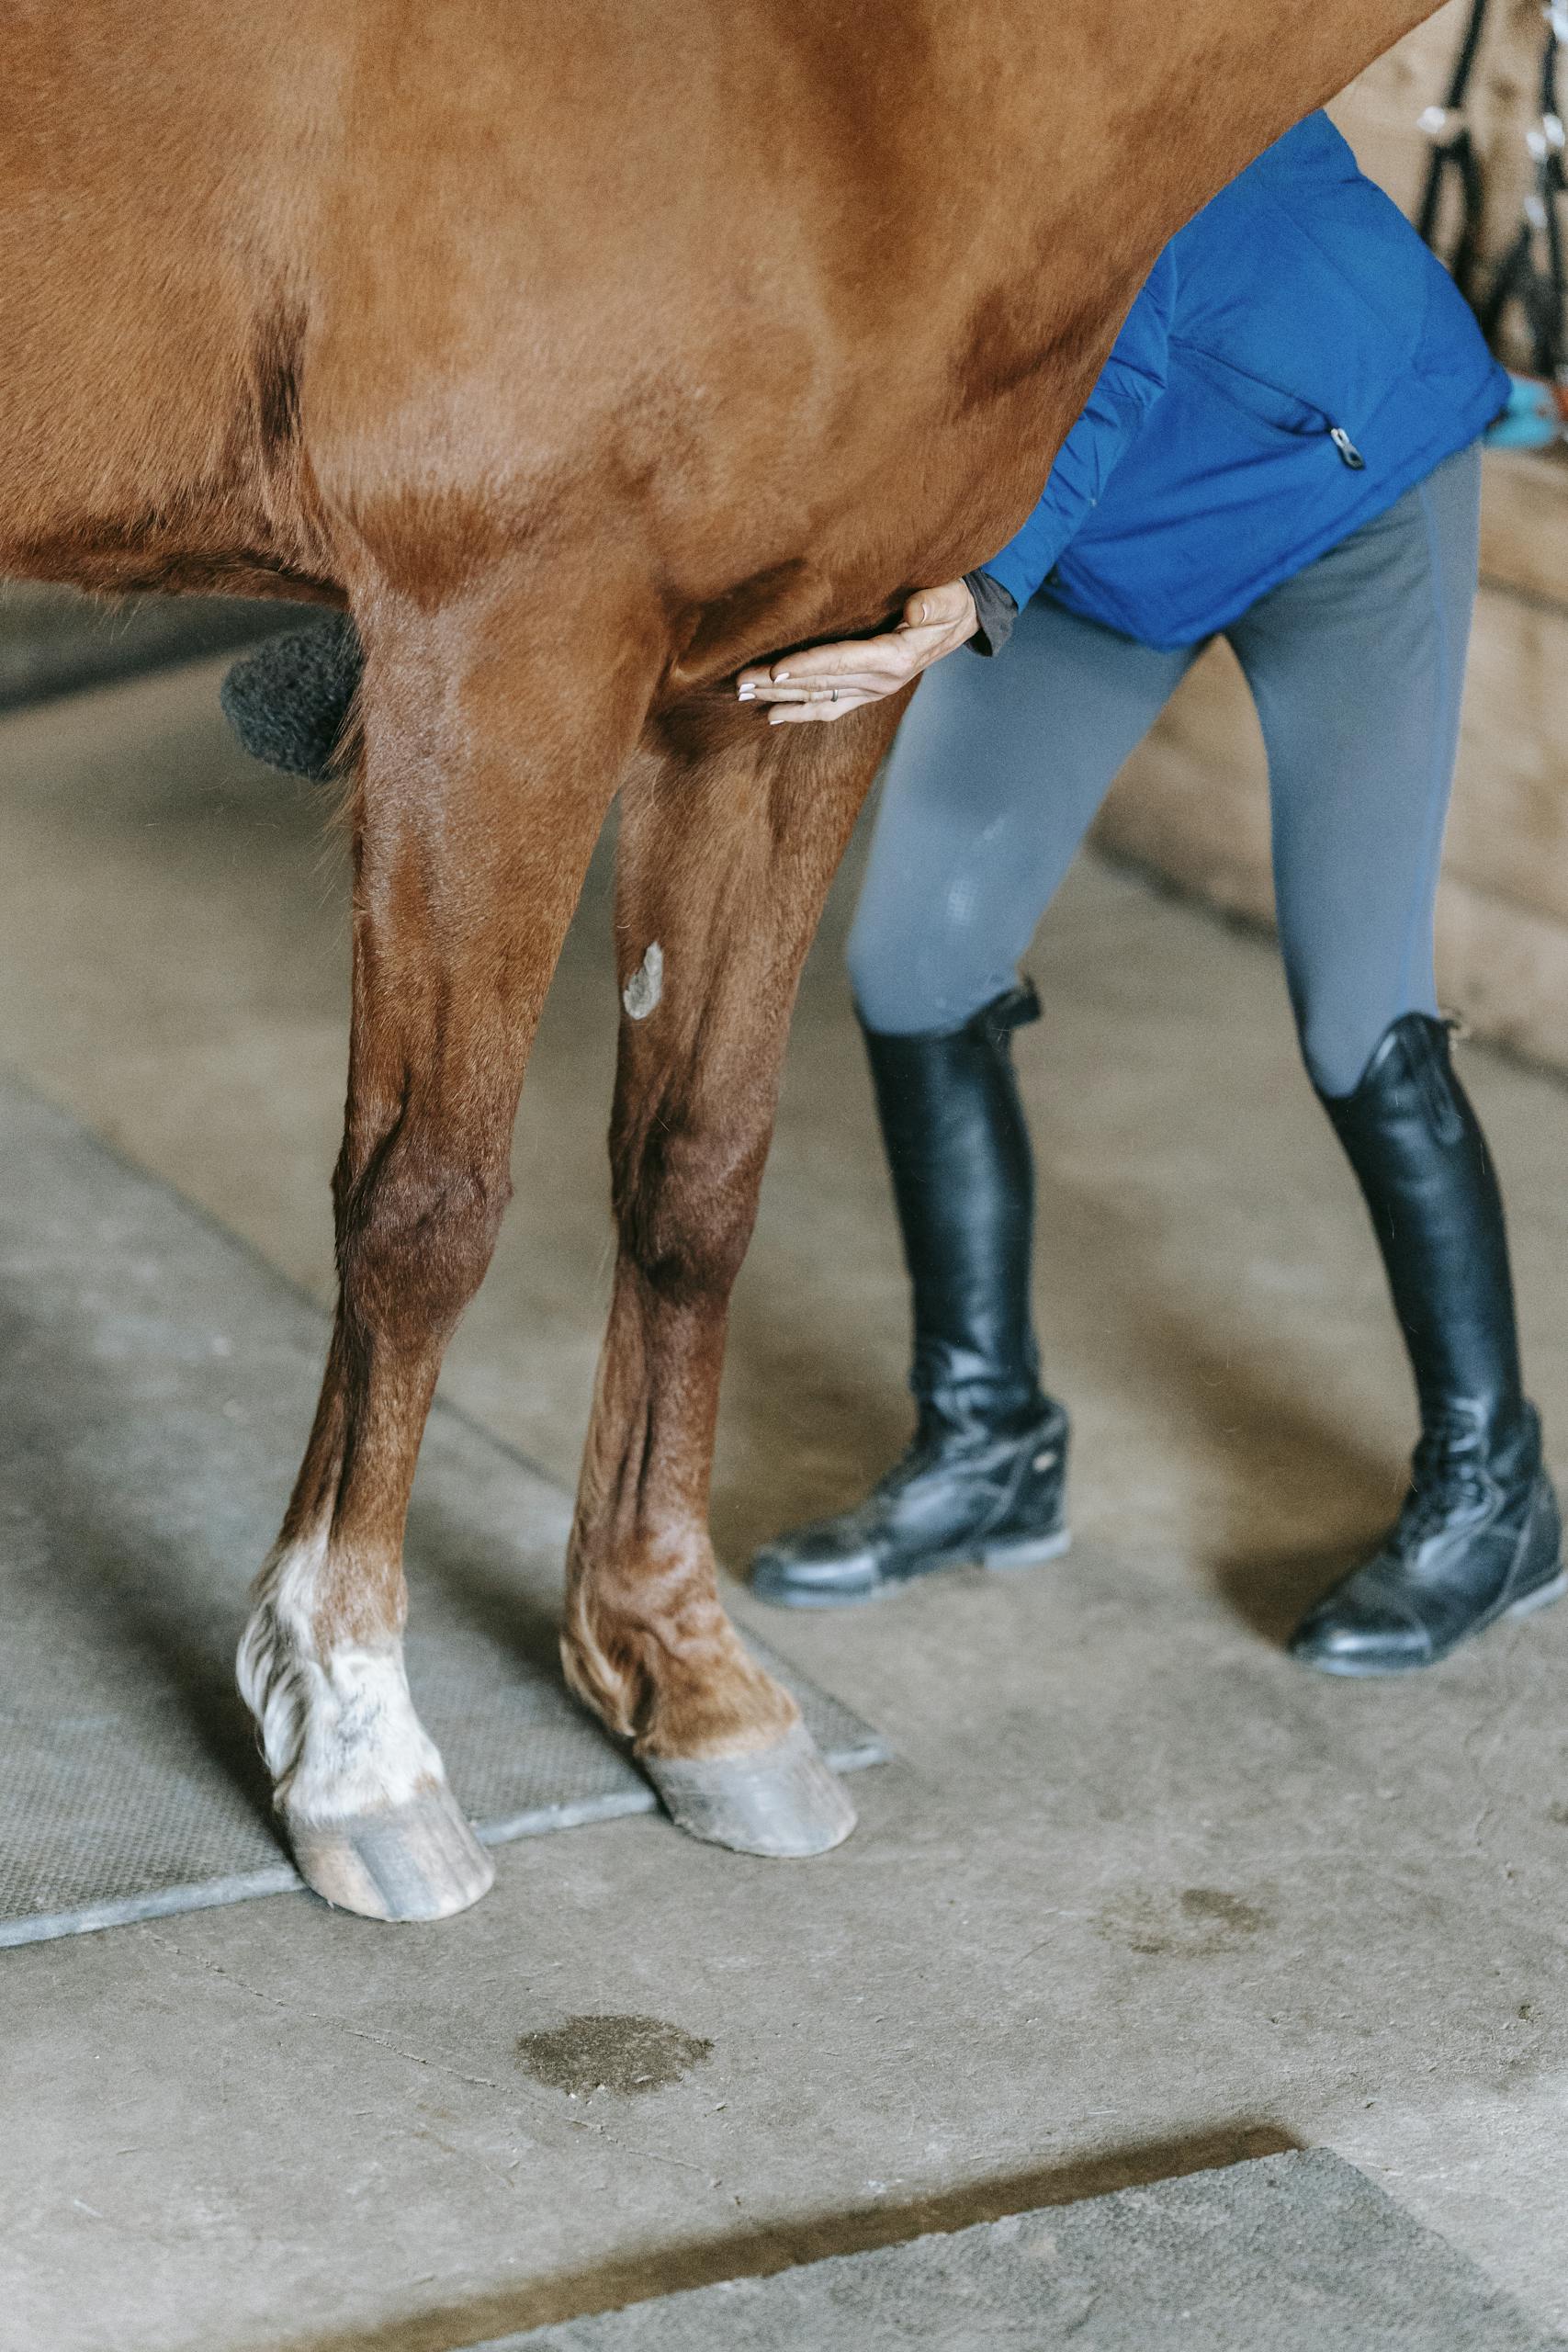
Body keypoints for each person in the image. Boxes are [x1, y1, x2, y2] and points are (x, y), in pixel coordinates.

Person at [736, 110, 1564, 1674]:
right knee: (916, 959)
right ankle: (990, 1447)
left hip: (1340, 472)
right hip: (1092, 539)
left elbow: (1120, 294)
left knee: (1354, 1007)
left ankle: (1498, 1491)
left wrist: (973, 590)